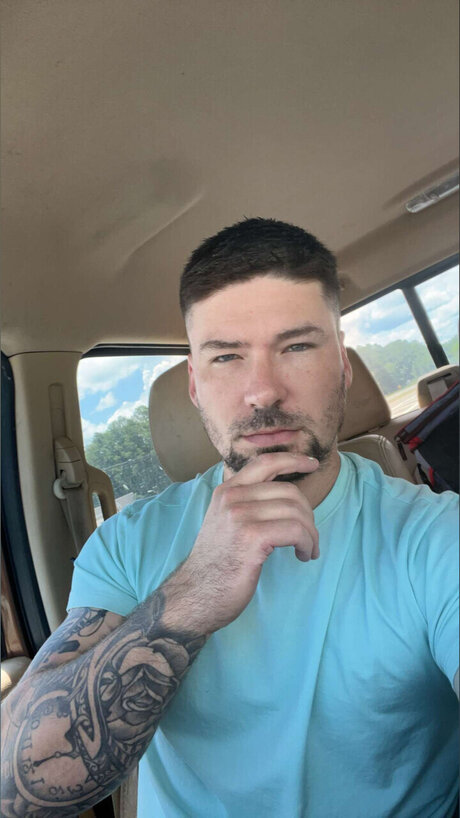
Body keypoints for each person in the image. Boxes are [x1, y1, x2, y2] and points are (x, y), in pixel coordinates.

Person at [1, 218, 458, 818]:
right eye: (226, 356)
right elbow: (14, 788)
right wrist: (195, 593)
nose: (262, 391)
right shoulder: (126, 546)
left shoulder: (434, 535)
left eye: (297, 346)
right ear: (195, 385)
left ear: (344, 366)